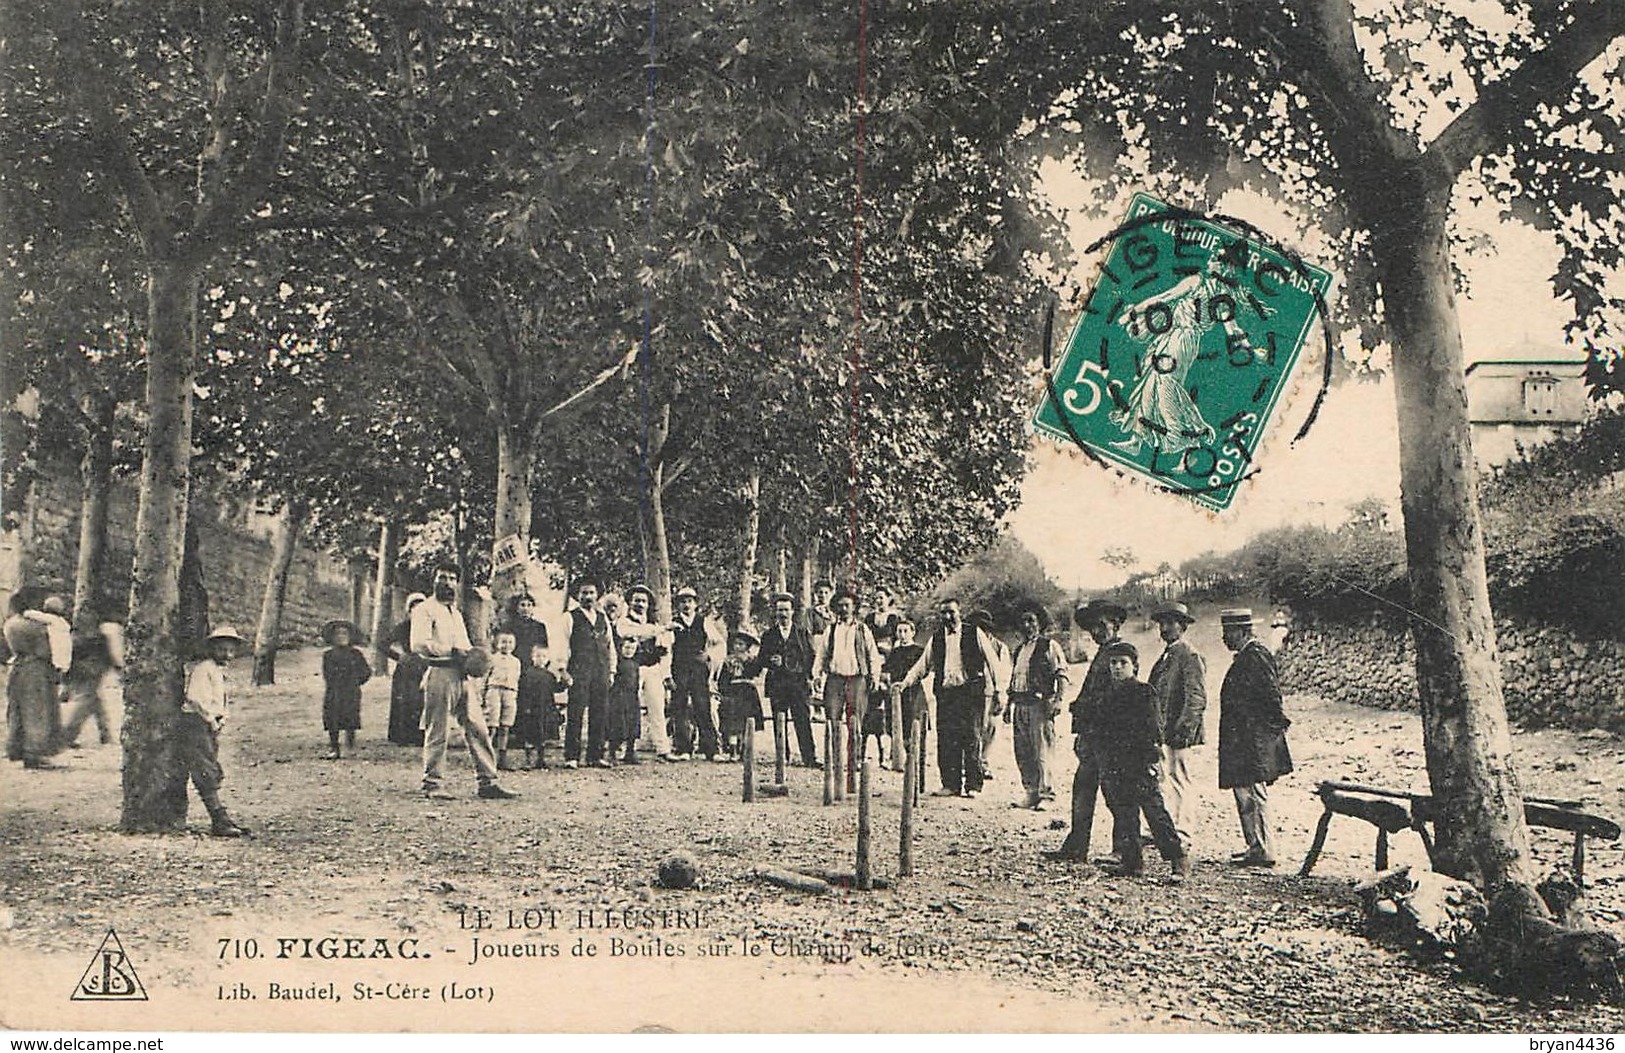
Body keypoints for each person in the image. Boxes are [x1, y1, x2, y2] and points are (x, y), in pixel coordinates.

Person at [1109, 252, 1263, 459]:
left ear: (1227, 267)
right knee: (1150, 383)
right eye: (1211, 258)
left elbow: (1164, 298)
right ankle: (1138, 440)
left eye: (1216, 259)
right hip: (1174, 336)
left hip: (1183, 339)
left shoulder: (1199, 283)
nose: (1210, 261)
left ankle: (1184, 435)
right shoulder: (1218, 295)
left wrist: (1133, 313)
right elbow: (1232, 331)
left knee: (1166, 385)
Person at [411, 562, 517, 800]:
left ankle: (488, 781)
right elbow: (418, 643)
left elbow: (465, 645)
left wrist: (473, 656)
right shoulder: (425, 609)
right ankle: (432, 783)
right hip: (439, 672)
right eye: (442, 577)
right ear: (434, 580)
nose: (446, 582)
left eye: (451, 578)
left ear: (456, 583)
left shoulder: (455, 613)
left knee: (478, 727)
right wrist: (452, 650)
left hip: (462, 674)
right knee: (438, 730)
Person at [1095, 640, 1190, 881]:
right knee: (1124, 813)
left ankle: (1179, 861)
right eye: (1113, 663)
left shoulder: (1144, 692)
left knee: (1155, 812)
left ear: (1134, 667)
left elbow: (1154, 730)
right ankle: (1132, 862)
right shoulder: (1107, 696)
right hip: (1116, 763)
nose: (1117, 668)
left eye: (1123, 663)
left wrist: (1151, 760)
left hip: (1139, 762)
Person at [1044, 598, 1129, 864]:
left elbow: (1117, 698)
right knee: (1083, 789)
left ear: (1115, 625)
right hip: (1093, 737)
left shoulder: (1120, 654)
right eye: (1093, 627)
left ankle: (1123, 850)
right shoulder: (1102, 654)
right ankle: (1076, 847)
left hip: (1111, 737)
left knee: (1116, 794)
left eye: (1102, 625)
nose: (1097, 631)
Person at [896, 597, 1000, 799]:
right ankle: (950, 784)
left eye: (951, 612)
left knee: (971, 737)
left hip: (970, 694)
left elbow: (993, 662)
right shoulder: (937, 638)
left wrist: (1000, 691)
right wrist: (906, 682)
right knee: (946, 738)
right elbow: (922, 665)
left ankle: (973, 785)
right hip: (946, 695)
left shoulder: (974, 633)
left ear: (959, 612)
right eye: (943, 613)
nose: (947, 616)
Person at [1218, 608, 1293, 867]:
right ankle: (1255, 846)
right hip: (1243, 739)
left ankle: (1264, 848)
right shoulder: (1246, 656)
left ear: (1241, 631)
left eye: (1227, 632)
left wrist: (1269, 732)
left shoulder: (1256, 656)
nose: (1224, 637)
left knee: (1253, 793)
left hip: (1252, 739)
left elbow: (1272, 697)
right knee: (1244, 793)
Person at [179, 626, 252, 837]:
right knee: (205, 769)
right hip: (196, 722)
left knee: (211, 766)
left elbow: (220, 700)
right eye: (222, 650)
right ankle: (219, 819)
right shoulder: (204, 669)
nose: (227, 655)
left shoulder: (218, 671)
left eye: (231, 651)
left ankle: (221, 818)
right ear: (212, 649)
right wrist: (210, 719)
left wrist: (222, 718)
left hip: (209, 723)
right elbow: (195, 698)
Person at [1148, 601, 1207, 852]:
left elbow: (1197, 697)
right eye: (1162, 623)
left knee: (1181, 780)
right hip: (1164, 730)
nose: (1165, 628)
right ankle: (1166, 829)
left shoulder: (1188, 655)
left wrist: (1185, 728)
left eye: (1171, 623)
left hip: (1179, 732)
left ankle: (1183, 832)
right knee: (1164, 779)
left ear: (1182, 627)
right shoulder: (1166, 656)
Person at [1004, 605, 1069, 810]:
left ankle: (1046, 794)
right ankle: (1031, 792)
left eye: (1031, 621)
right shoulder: (1019, 650)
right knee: (1023, 751)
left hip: (1039, 704)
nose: (1027, 625)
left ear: (1039, 623)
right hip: (1020, 704)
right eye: (1023, 621)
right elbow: (1014, 680)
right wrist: (1008, 706)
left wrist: (1058, 700)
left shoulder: (1049, 646)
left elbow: (1061, 675)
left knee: (1042, 751)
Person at [813, 587, 882, 777]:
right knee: (832, 719)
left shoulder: (862, 629)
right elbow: (822, 654)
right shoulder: (831, 629)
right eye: (840, 606)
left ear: (854, 608)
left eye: (847, 606)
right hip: (835, 680)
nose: (843, 610)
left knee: (855, 722)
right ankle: (835, 760)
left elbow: (873, 655)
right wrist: (817, 675)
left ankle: (855, 760)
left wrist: (874, 677)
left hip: (857, 680)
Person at [3, 587, 65, 770]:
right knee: (37, 710)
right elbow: (46, 649)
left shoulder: (10, 624)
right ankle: (34, 752)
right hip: (36, 669)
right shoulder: (37, 626)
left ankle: (16, 748)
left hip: (16, 667)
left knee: (16, 710)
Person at [756, 593, 818, 768]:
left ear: (792, 612)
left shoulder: (802, 633)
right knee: (779, 720)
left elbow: (811, 657)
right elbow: (761, 659)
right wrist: (770, 661)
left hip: (798, 683)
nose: (783, 614)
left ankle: (809, 757)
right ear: (775, 613)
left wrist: (802, 672)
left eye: (786, 610)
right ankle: (783, 756)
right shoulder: (768, 635)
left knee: (803, 720)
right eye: (779, 610)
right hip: (778, 684)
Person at [562, 580, 615, 769]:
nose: (588, 597)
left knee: (600, 711)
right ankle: (572, 756)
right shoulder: (569, 617)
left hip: (600, 670)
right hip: (579, 670)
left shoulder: (602, 618)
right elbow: (563, 645)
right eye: (584, 593)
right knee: (575, 712)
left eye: (591, 593)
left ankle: (595, 755)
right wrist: (563, 670)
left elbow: (610, 646)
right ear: (577, 595)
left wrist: (611, 671)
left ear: (597, 595)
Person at [619, 586, 675, 762]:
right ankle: (628, 748)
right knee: (630, 707)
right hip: (633, 669)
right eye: (636, 600)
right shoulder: (625, 622)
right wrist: (661, 629)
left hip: (652, 669)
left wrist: (665, 674)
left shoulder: (655, 625)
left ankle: (663, 749)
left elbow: (665, 650)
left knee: (657, 707)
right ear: (630, 602)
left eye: (643, 601)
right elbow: (633, 632)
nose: (640, 604)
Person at [668, 586, 719, 762]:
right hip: (679, 668)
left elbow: (718, 643)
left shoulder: (703, 621)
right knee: (679, 706)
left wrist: (709, 658)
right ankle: (683, 748)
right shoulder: (673, 623)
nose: (686, 605)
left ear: (696, 604)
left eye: (689, 601)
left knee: (702, 706)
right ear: (678, 605)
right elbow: (667, 649)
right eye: (682, 601)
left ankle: (710, 749)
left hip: (698, 669)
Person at [62, 619, 123, 749]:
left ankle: (105, 734)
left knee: (95, 701)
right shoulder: (106, 632)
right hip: (90, 670)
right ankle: (67, 736)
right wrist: (118, 669)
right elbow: (112, 653)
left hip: (84, 669)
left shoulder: (86, 633)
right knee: (86, 702)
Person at [882, 619, 928, 782]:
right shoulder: (894, 652)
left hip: (913, 692)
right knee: (895, 724)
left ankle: (913, 758)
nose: (902, 635)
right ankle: (896, 757)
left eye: (905, 631)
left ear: (912, 632)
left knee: (913, 722)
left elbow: (924, 672)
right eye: (899, 631)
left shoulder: (919, 651)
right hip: (896, 692)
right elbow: (886, 670)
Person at [969, 609, 1011, 784]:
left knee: (991, 728)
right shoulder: (969, 645)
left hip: (992, 693)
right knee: (974, 729)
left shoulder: (1000, 647)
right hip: (974, 693)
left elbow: (1004, 672)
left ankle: (984, 761)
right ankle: (973, 763)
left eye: (984, 628)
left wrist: (1001, 693)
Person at [320, 620, 371, 759]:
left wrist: (357, 681)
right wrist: (335, 681)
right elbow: (327, 674)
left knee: (351, 717)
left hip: (351, 691)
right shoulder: (328, 655)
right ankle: (334, 747)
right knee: (333, 718)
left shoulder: (356, 654)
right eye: (338, 634)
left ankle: (350, 746)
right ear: (332, 637)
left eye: (344, 633)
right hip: (334, 691)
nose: (341, 636)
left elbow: (366, 671)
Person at [386, 593, 428, 746]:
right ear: (408, 611)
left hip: (424, 665)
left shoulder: (429, 627)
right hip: (406, 667)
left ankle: (418, 735)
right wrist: (399, 656)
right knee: (405, 700)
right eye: (413, 610)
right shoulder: (403, 627)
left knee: (421, 700)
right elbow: (383, 644)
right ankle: (402, 735)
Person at [718, 629, 766, 761]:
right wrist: (724, 692)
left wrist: (748, 663)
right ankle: (733, 750)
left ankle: (745, 749)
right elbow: (723, 680)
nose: (737, 647)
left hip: (747, 693)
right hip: (733, 693)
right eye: (736, 644)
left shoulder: (752, 661)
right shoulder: (728, 661)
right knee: (733, 723)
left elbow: (756, 672)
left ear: (747, 647)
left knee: (747, 721)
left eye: (741, 644)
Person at [516, 642, 560, 769]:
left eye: (544, 656)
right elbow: (524, 691)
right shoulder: (528, 674)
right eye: (538, 656)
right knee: (530, 735)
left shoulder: (549, 675)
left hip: (545, 708)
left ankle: (540, 760)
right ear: (532, 657)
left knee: (543, 735)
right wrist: (525, 707)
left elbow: (555, 689)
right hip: (532, 709)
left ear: (548, 659)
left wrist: (565, 683)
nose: (540, 659)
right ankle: (528, 760)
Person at [485, 629, 522, 771]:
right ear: (497, 644)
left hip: (510, 693)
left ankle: (502, 758)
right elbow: (485, 678)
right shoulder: (491, 659)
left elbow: (516, 679)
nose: (507, 645)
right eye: (503, 642)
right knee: (492, 725)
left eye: (510, 642)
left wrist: (514, 694)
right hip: (494, 690)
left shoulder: (516, 662)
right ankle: (487, 757)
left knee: (505, 725)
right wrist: (482, 697)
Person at [606, 634, 643, 764]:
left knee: (633, 725)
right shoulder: (617, 663)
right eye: (626, 648)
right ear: (621, 648)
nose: (629, 651)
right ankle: (612, 753)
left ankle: (630, 752)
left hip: (632, 697)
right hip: (618, 698)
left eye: (632, 648)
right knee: (617, 725)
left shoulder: (635, 664)